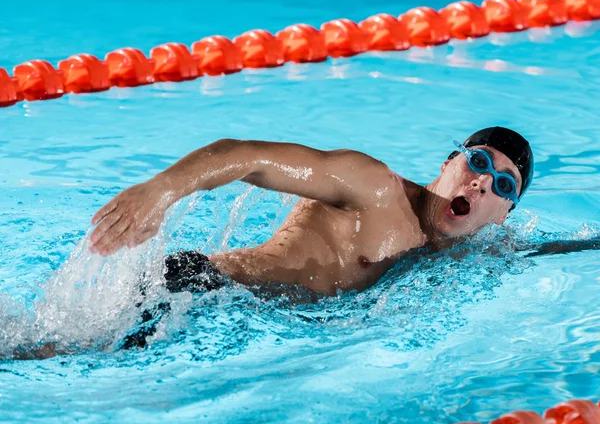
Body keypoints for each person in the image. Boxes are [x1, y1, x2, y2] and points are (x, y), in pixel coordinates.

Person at [90, 126, 533, 300]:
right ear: (448, 164)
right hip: (198, 287)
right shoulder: (373, 186)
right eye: (477, 162)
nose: (482, 182)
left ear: (502, 216)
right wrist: (160, 189)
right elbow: (249, 156)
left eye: (503, 184)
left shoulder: (465, 252)